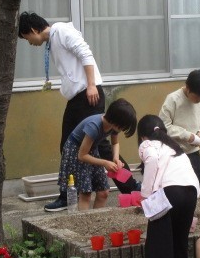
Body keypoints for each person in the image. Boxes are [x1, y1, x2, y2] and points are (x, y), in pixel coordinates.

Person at [18, 12, 139, 212]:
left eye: (27, 38)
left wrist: (91, 85)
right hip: (76, 98)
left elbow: (85, 54)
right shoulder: (52, 40)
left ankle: (131, 187)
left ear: (32, 30)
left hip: (87, 95)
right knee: (68, 145)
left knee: (100, 144)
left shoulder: (62, 31)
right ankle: (68, 193)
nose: (30, 43)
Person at [122, 115, 200, 258]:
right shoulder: (176, 148)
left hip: (169, 192)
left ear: (142, 136)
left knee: (156, 244)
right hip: (191, 192)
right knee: (179, 240)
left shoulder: (148, 144)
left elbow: (152, 160)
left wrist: (146, 195)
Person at [59, 98, 137, 210]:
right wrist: (105, 163)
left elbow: (115, 143)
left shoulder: (113, 126)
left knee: (103, 192)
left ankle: (97, 218)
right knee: (85, 193)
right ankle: (84, 220)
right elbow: (82, 156)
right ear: (116, 121)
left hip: (90, 151)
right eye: (123, 127)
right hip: (76, 151)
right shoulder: (94, 126)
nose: (122, 130)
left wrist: (115, 158)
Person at [159, 69, 200, 195]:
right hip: (173, 151)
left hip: (192, 151)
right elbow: (163, 126)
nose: (199, 100)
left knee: (197, 187)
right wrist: (186, 135)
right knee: (175, 187)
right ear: (188, 88)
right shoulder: (173, 99)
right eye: (197, 97)